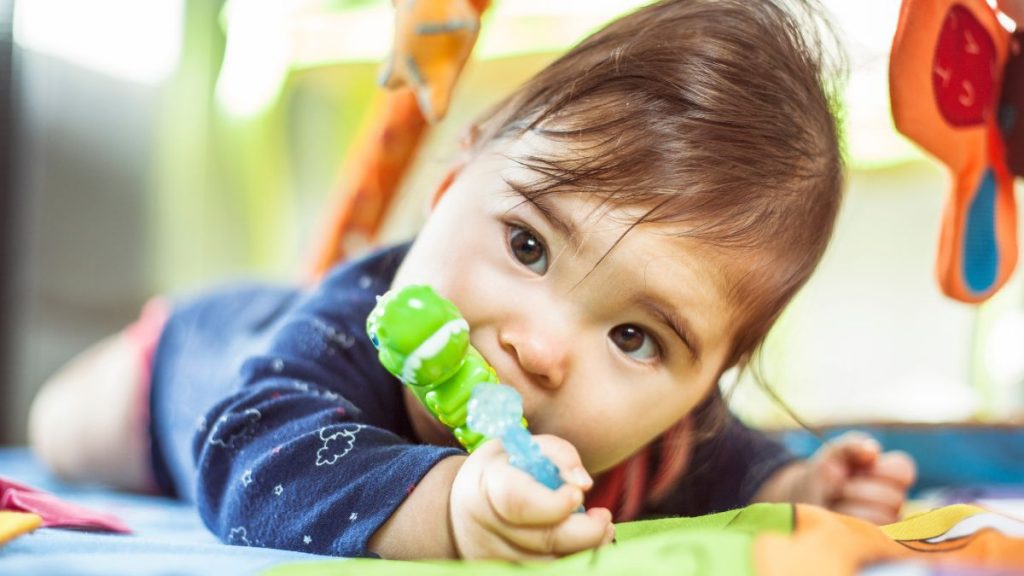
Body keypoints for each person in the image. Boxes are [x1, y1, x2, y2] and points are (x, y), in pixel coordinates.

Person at [28, 0, 916, 562]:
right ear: (453, 183)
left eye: (635, 338)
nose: (537, 347)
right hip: (184, 364)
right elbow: (255, 460)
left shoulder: (674, 436)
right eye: (528, 246)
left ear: (700, 389)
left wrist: (793, 490)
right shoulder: (345, 333)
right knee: (61, 429)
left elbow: (724, 463)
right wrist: (452, 507)